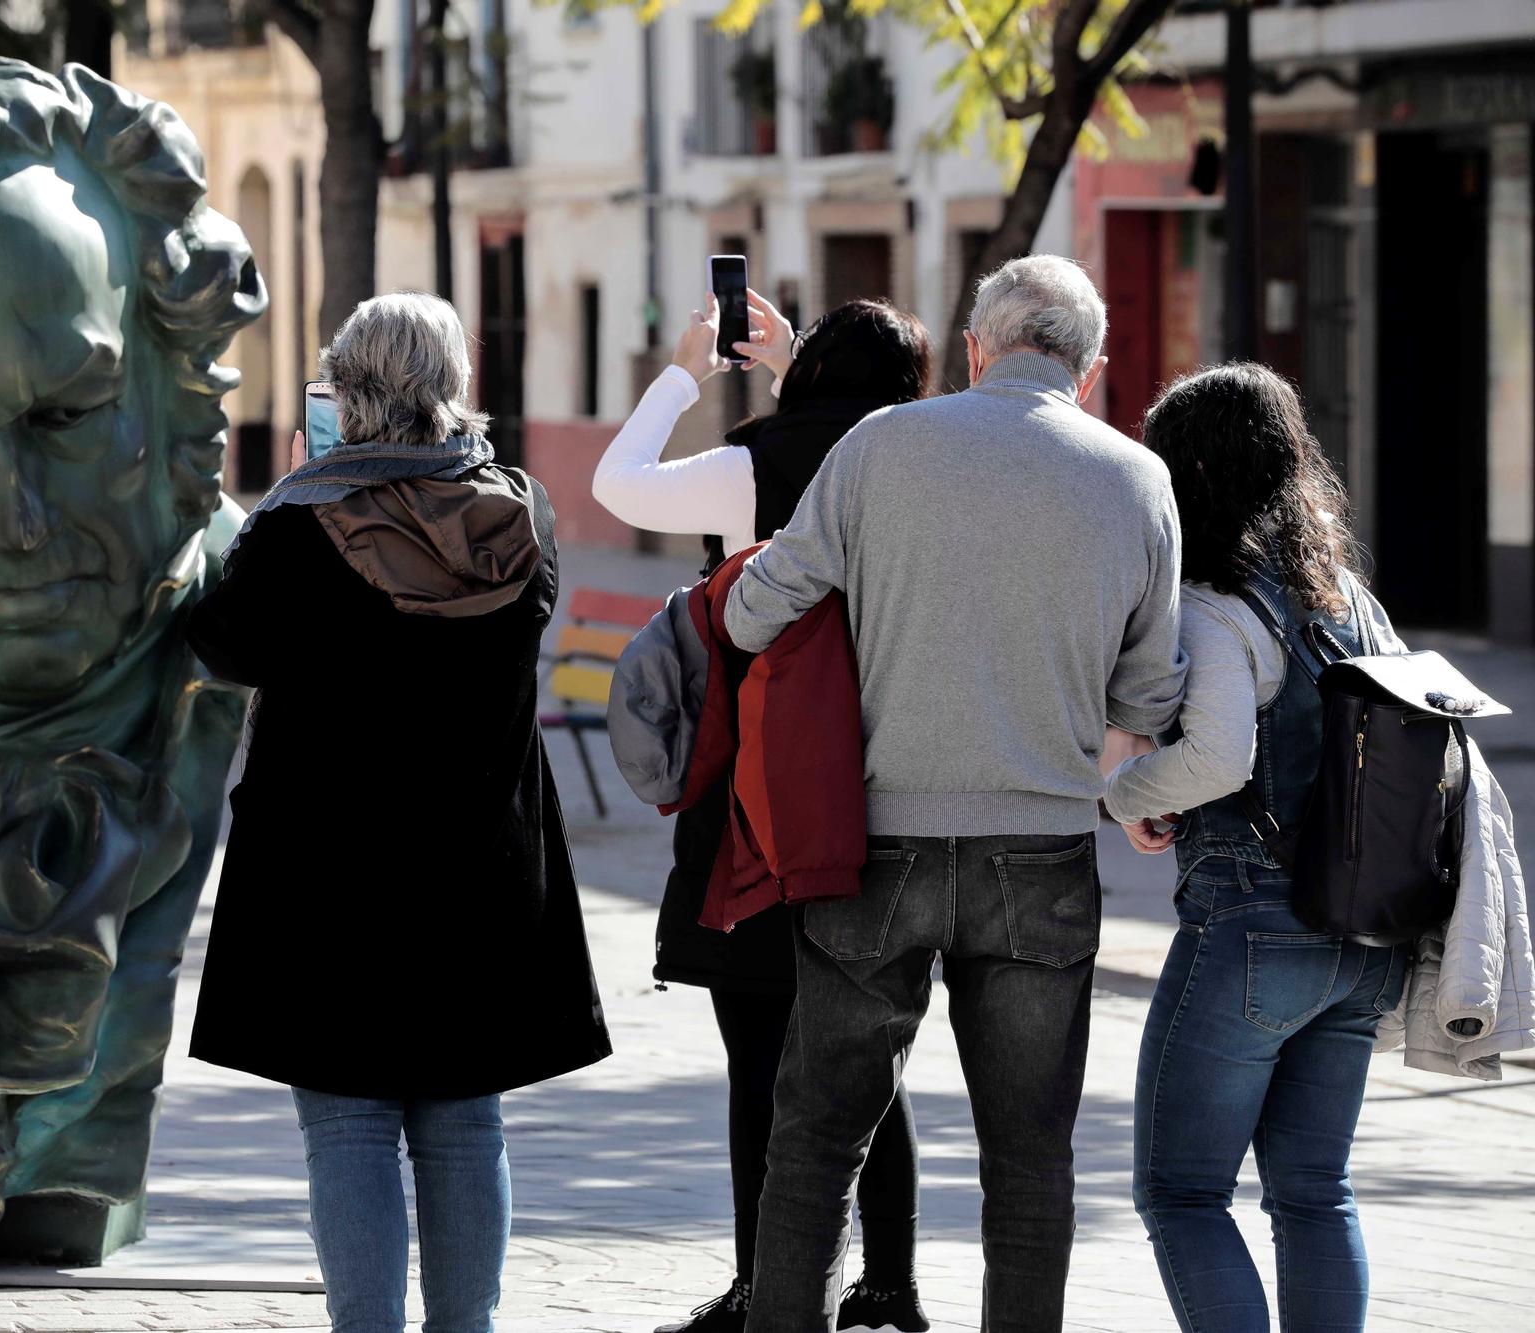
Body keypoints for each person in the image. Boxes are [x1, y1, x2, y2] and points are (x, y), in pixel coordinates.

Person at [723, 255, 1188, 1333]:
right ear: (1090, 369)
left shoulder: (879, 445)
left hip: (872, 841)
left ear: (974, 348)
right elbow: (1149, 690)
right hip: (1038, 852)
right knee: (1028, 1162)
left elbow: (754, 614)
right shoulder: (1134, 478)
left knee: (814, 1142)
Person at [184, 292, 613, 1333]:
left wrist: (294, 477)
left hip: (329, 868)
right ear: (451, 383)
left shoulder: (296, 523)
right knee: (465, 1120)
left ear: (344, 388)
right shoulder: (522, 514)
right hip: (480, 858)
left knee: (348, 1124)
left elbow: (222, 644)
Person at [594, 293, 935, 1333]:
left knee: (760, 1059)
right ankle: (887, 1282)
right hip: (890, 789)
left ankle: (764, 1287)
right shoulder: (923, 461)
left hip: (756, 797)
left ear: (810, 376)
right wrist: (798, 365)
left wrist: (684, 371)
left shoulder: (756, 466)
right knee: (866, 1054)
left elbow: (618, 485)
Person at [1106, 364, 1407, 1333]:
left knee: (1181, 1191)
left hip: (1251, 920)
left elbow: (1214, 756)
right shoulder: (1347, 598)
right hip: (1364, 930)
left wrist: (1123, 796)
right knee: (1312, 1190)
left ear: (1186, 471)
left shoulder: (1214, 600)